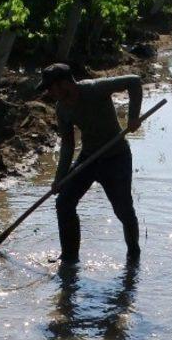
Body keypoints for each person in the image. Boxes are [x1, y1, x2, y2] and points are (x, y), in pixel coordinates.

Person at [36, 63, 143, 264]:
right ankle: (69, 259)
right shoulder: (62, 109)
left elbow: (134, 82)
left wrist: (133, 117)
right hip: (88, 158)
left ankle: (133, 255)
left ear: (65, 83)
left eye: (51, 87)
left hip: (116, 157)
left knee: (123, 210)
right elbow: (68, 145)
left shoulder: (94, 89)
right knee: (64, 203)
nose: (49, 92)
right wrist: (59, 179)